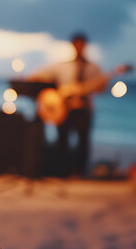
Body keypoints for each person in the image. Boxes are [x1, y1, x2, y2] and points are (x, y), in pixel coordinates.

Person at [28, 33, 108, 176]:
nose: (79, 47)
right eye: (76, 44)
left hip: (84, 109)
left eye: (81, 44)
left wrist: (100, 85)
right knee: (62, 139)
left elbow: (101, 89)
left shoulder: (93, 68)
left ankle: (79, 171)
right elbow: (40, 75)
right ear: (72, 45)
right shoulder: (62, 66)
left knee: (83, 141)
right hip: (64, 108)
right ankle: (62, 170)